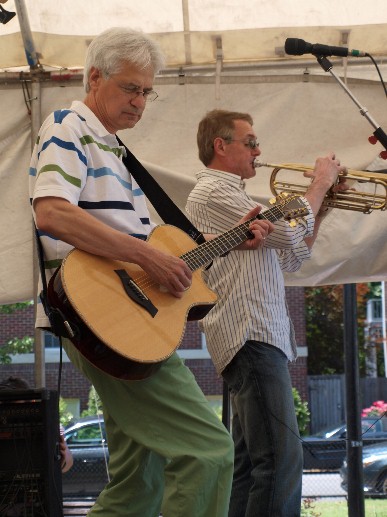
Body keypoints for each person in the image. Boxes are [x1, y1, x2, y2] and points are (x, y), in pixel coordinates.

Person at [29, 29, 274, 516]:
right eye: (130, 88)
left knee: (139, 483)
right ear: (95, 77)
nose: (140, 102)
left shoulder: (114, 150)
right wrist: (146, 257)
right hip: (104, 321)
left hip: (119, 322)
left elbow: (156, 254)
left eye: (147, 91)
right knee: (209, 452)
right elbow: (52, 213)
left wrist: (224, 240)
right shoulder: (67, 126)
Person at [185, 109, 350, 517]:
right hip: (250, 332)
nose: (260, 151)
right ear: (221, 146)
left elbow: (294, 254)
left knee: (251, 466)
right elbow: (293, 233)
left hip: (256, 334)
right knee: (281, 460)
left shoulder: (239, 196)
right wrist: (319, 183)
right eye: (251, 142)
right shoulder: (213, 192)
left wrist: (321, 201)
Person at [0, 376, 73, 473]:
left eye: (15, 405)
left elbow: (68, 460)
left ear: (32, 402)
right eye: (5, 405)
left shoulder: (49, 425)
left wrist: (61, 460)